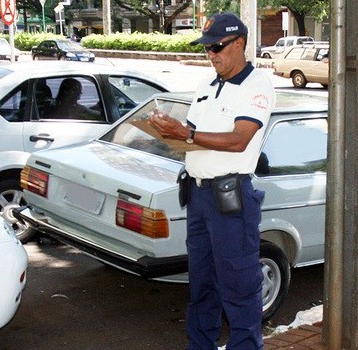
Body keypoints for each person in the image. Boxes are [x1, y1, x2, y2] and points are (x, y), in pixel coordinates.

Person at [148, 12, 275, 350]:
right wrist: (165, 130)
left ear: (241, 44)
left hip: (230, 199)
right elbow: (190, 138)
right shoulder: (206, 85)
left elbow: (239, 139)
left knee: (239, 287)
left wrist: (186, 133)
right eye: (207, 48)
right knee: (202, 285)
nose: (212, 55)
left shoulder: (257, 84)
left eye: (217, 47)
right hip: (199, 196)